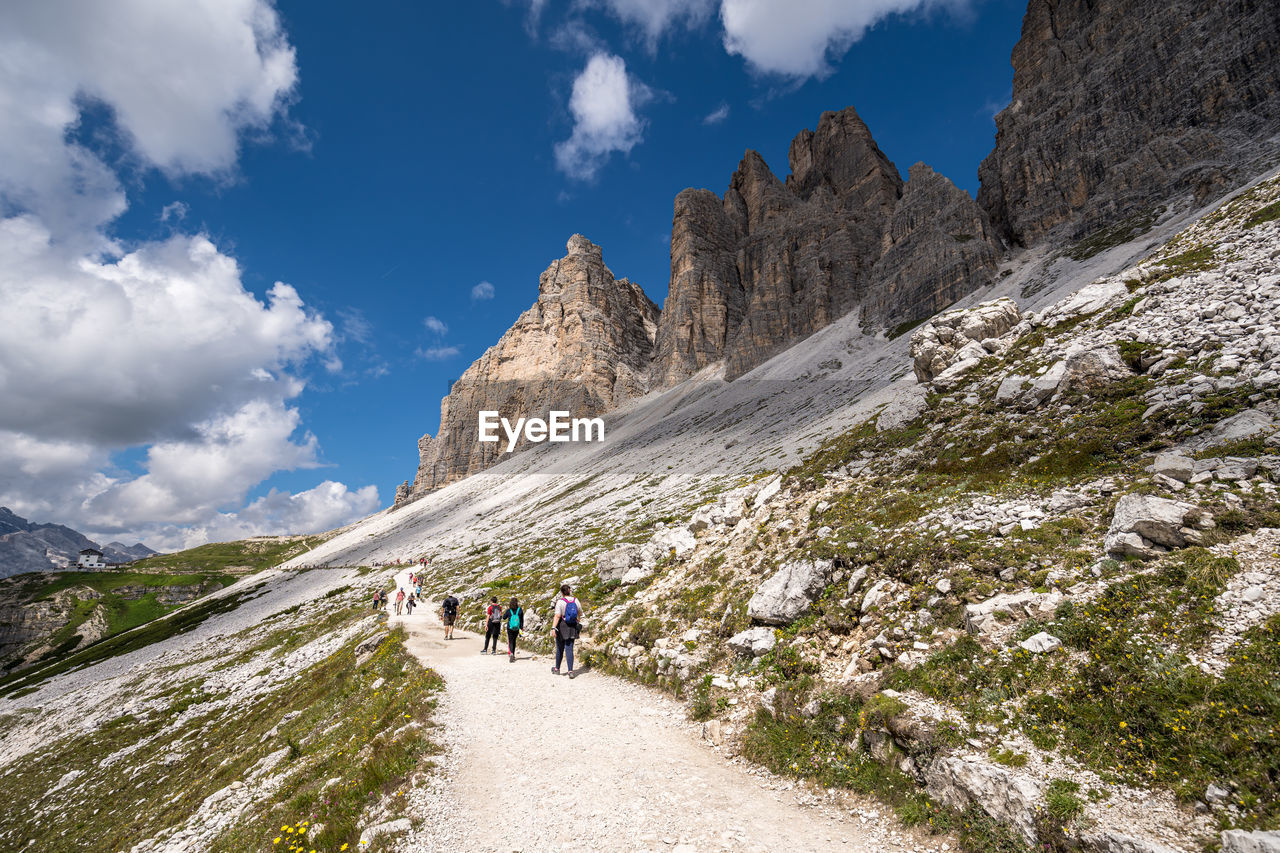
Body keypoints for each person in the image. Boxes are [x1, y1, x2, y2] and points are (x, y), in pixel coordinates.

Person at [551, 584, 582, 678]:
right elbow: (580, 612)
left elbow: (557, 616)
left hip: (562, 626)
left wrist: (553, 628)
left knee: (560, 648)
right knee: (569, 648)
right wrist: (577, 620)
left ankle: (557, 669)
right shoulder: (575, 600)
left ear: (561, 592)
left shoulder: (560, 602)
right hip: (572, 626)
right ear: (569, 590)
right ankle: (570, 671)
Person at [502, 597, 524, 662]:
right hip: (517, 628)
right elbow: (522, 619)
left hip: (510, 628)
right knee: (514, 640)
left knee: (510, 640)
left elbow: (503, 617)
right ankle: (513, 654)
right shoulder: (520, 610)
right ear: (517, 602)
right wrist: (521, 627)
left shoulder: (509, 610)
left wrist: (506, 613)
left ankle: (511, 653)